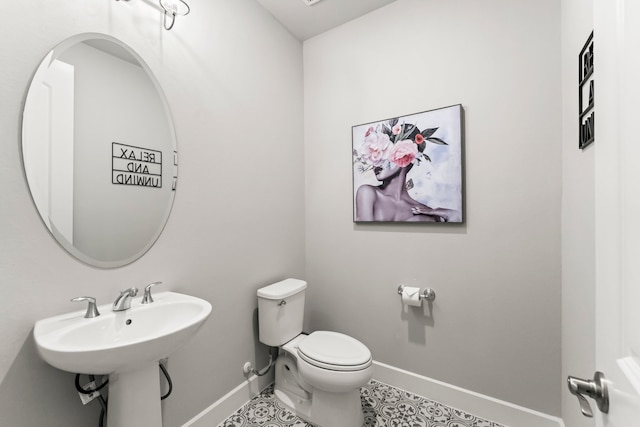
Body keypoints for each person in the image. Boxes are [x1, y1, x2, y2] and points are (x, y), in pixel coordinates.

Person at [354, 120, 460, 222]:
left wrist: (448, 213)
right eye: (375, 155)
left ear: (407, 156)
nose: (377, 161)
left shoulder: (424, 210)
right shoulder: (367, 193)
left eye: (385, 152)